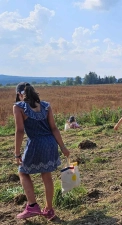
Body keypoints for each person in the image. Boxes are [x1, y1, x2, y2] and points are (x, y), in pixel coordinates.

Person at [13, 82, 70, 220]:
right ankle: (49, 210)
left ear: (20, 94)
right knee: (46, 175)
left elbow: (20, 131)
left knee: (23, 172)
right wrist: (63, 147)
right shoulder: (46, 106)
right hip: (50, 144)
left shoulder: (19, 107)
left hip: (35, 144)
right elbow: (54, 128)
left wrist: (17, 153)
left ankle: (32, 206)